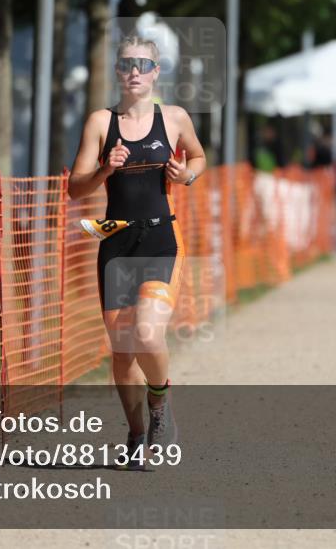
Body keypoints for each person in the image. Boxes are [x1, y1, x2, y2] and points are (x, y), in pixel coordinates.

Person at [67, 35, 206, 467]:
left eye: (143, 65)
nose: (134, 72)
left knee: (147, 332)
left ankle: (160, 405)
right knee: (123, 350)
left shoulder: (175, 118)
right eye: (127, 64)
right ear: (117, 70)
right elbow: (75, 189)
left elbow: (199, 158)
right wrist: (105, 169)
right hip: (117, 242)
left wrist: (185, 175)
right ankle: (136, 432)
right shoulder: (99, 122)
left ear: (156, 72)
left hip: (161, 238)